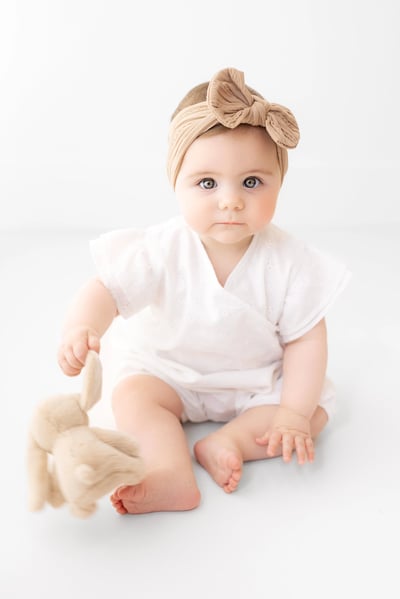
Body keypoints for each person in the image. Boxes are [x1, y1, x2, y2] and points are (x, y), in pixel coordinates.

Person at [57, 67, 350, 515]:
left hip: (255, 380)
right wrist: (82, 325)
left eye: (252, 182)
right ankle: (169, 472)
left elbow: (307, 340)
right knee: (134, 397)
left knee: (313, 412)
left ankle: (227, 442)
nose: (230, 200)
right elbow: (107, 289)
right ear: (176, 181)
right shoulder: (162, 248)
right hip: (169, 371)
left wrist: (291, 412)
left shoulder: (289, 261)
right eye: (207, 183)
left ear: (278, 181)